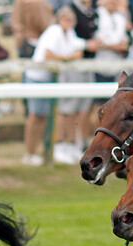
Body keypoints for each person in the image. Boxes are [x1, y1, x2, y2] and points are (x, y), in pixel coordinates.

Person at [23, 6, 87, 166]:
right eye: (65, 19)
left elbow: (78, 52)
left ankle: (36, 153)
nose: (68, 22)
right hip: (36, 77)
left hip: (48, 79)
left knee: (43, 116)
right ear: (59, 19)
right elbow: (48, 54)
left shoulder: (69, 33)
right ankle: (28, 153)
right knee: (35, 115)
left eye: (70, 19)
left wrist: (67, 56)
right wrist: (66, 57)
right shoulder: (54, 31)